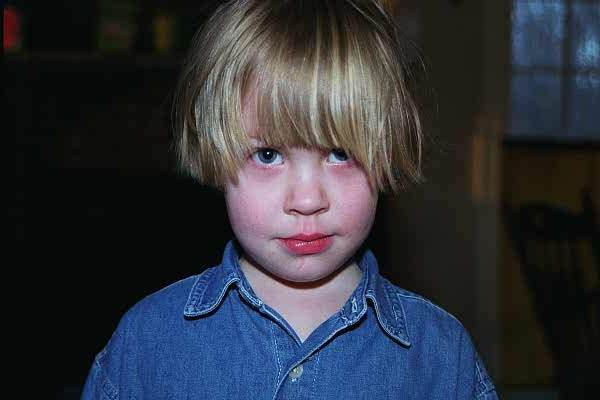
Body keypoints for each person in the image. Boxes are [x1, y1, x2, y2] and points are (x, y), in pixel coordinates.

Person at [81, 1, 498, 398]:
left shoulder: (442, 358)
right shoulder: (146, 344)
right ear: (214, 149)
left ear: (386, 151)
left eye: (340, 153)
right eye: (268, 155)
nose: (307, 199)